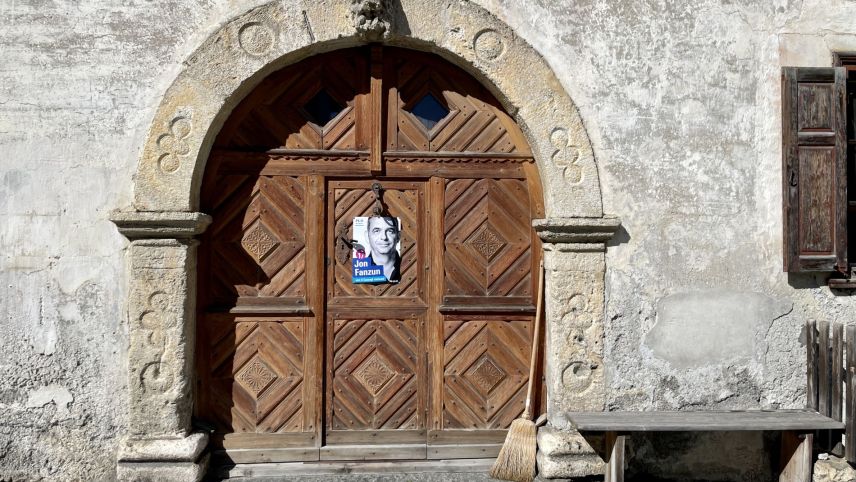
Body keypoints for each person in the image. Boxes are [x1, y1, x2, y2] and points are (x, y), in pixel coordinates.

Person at [366, 216, 401, 283]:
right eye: (377, 231)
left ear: (398, 236)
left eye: (390, 231)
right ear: (367, 236)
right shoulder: (360, 269)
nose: (384, 237)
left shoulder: (409, 265)